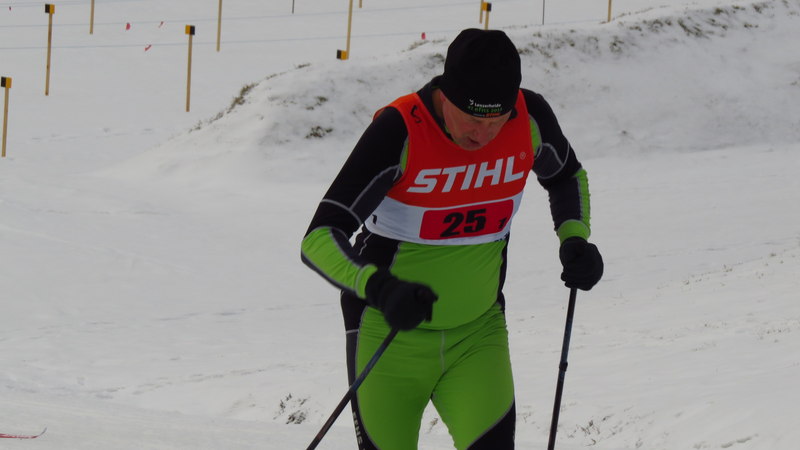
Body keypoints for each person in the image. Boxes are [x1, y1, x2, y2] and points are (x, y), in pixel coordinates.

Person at [301, 28, 603, 450]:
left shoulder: (529, 117)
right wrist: (379, 287)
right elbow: (319, 237)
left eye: (497, 121)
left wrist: (574, 240)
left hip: (478, 335)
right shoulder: (400, 130)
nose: (484, 135)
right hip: (387, 337)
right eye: (474, 119)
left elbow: (566, 176)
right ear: (445, 95)